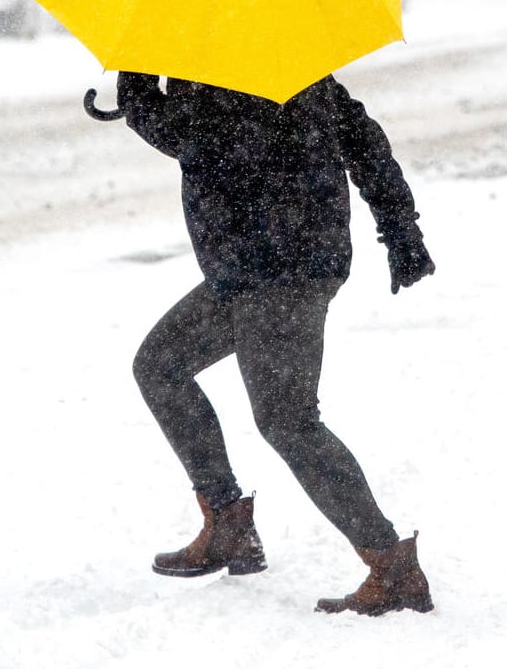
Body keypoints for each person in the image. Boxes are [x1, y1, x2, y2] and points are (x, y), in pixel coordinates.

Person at [115, 70, 437, 616]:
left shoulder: (218, 67)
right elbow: (362, 136)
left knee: (287, 420)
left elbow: (185, 136)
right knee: (160, 365)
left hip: (281, 270)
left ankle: (391, 566)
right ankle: (228, 524)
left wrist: (136, 88)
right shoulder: (288, 56)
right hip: (252, 269)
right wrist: (401, 228)